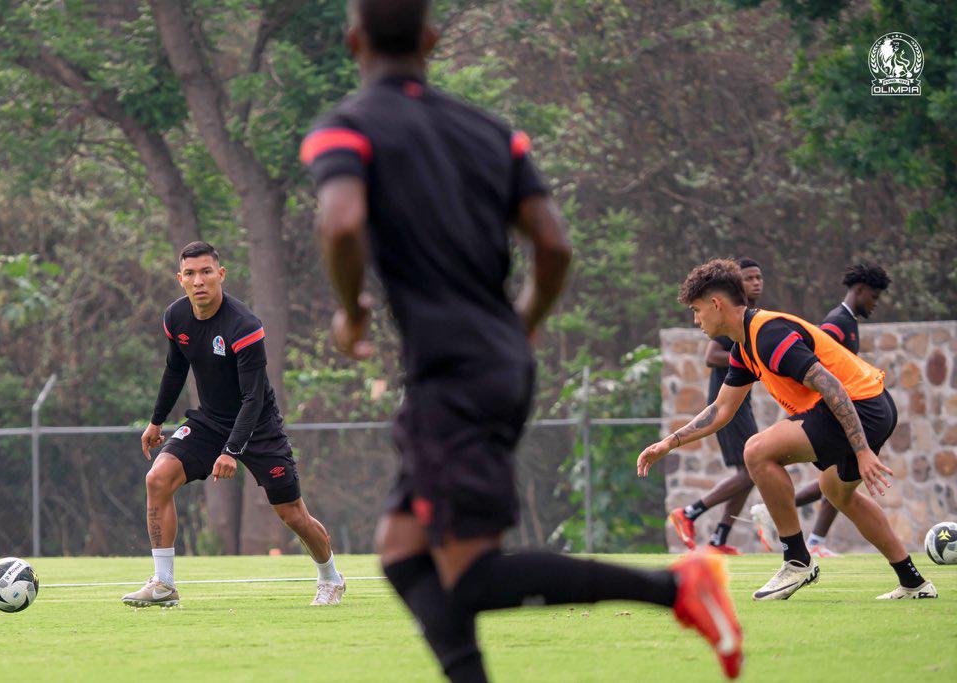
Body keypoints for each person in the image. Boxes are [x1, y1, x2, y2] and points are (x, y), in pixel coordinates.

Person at [303, 1, 743, 679]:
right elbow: (553, 244)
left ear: (352, 41)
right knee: (403, 553)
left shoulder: (347, 128)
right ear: (432, 39)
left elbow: (339, 223)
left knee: (468, 572)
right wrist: (524, 323)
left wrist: (351, 316)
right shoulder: (491, 133)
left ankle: (680, 585)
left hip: (454, 371)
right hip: (489, 361)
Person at [638, 259, 935, 601]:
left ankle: (797, 561)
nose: (696, 320)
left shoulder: (768, 334)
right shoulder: (744, 347)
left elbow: (832, 386)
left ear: (716, 304)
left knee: (757, 451)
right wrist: (669, 443)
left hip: (861, 407)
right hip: (873, 406)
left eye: (697, 310)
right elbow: (721, 409)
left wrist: (862, 449)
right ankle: (914, 582)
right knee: (837, 493)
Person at [122, 241, 346, 608]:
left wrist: (231, 451)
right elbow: (175, 369)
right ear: (180, 279)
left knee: (293, 515)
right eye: (190, 274)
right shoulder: (175, 317)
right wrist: (156, 421)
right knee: (157, 478)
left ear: (221, 274)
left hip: (258, 428)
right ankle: (163, 584)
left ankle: (330, 578)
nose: (199, 281)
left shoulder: (244, 325)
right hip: (209, 421)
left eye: (206, 272)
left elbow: (253, 399)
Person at [751, 262, 892, 557]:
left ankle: (813, 538)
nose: (875, 304)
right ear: (860, 290)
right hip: (832, 413)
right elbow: (817, 373)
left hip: (845, 411)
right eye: (874, 297)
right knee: (836, 482)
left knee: (838, 484)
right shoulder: (836, 324)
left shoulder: (848, 321)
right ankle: (802, 533)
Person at [668, 258, 763, 555]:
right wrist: (751, 359)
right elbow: (711, 356)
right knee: (753, 469)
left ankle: (718, 539)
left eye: (759, 277)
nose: (756, 283)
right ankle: (689, 513)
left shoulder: (749, 318)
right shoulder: (727, 319)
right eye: (749, 278)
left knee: (750, 472)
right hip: (727, 404)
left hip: (742, 403)